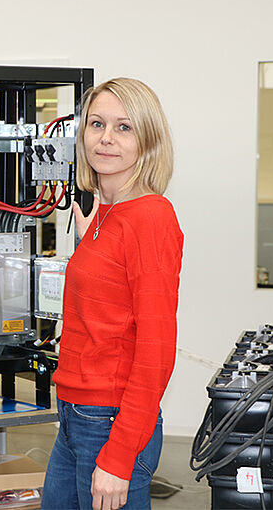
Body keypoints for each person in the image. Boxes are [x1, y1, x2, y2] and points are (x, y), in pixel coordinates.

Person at [41, 78, 184, 510]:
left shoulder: (151, 218)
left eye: (124, 127)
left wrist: (120, 457)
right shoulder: (106, 214)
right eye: (96, 124)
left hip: (109, 421)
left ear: (148, 140)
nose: (106, 138)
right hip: (72, 413)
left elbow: (156, 349)